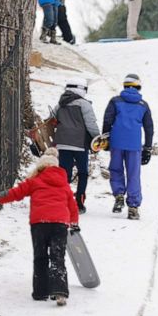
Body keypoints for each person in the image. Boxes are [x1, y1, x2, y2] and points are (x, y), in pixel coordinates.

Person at [0, 147, 79, 306]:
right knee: (57, 257)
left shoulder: (34, 181)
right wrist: (74, 224)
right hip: (60, 223)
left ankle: (41, 292)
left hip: (39, 223)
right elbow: (73, 206)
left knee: (40, 257)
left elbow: (14, 193)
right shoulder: (64, 184)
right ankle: (60, 292)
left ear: (40, 167)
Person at [102, 73, 154, 219]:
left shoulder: (115, 101)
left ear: (125, 86)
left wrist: (105, 139)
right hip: (134, 144)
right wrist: (148, 148)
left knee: (116, 169)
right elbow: (149, 128)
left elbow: (107, 121)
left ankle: (119, 195)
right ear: (138, 86)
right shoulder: (143, 105)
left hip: (116, 142)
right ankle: (133, 207)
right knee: (133, 174)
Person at [52, 78, 100, 214]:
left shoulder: (60, 104)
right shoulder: (84, 105)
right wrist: (97, 139)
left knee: (64, 173)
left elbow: (51, 119)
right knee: (82, 173)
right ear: (82, 89)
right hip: (80, 144)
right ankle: (79, 202)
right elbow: (91, 124)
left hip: (62, 143)